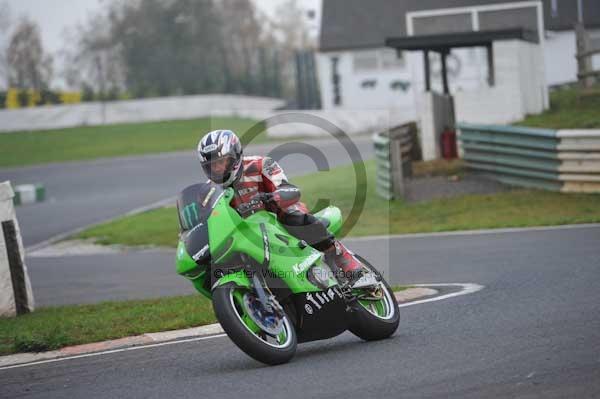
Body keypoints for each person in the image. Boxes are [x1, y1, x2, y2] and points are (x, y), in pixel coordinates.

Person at [197, 129, 363, 286]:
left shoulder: (261, 164)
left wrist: (274, 197)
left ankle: (341, 256)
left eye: (221, 162)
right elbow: (206, 220)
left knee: (291, 215)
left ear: (235, 156)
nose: (217, 169)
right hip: (247, 235)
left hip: (277, 220)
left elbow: (288, 188)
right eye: (212, 165)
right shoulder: (209, 192)